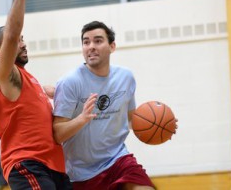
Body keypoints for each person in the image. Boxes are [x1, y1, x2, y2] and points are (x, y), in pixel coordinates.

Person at [0, 0, 72, 189]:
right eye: (19, 41)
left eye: (23, 39)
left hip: (54, 166)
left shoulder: (31, 80)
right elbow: (11, 34)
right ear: (0, 51)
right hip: (27, 163)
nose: (23, 44)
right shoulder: (5, 74)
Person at [53, 21, 155, 190]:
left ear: (112, 46)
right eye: (86, 42)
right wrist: (82, 119)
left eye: (98, 41)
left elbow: (132, 121)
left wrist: (157, 126)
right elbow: (57, 134)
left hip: (118, 160)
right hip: (80, 173)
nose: (91, 46)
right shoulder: (69, 82)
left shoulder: (126, 77)